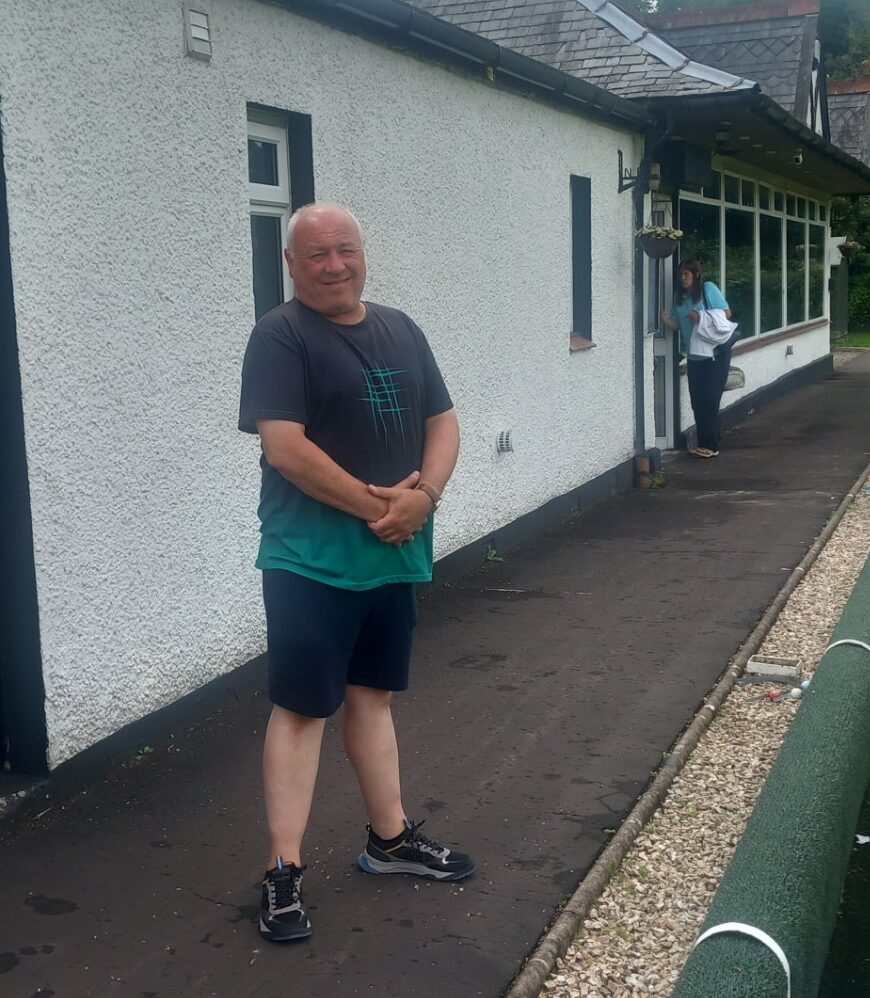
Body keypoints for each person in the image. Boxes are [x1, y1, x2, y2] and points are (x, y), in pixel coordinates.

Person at [238, 203, 474, 943]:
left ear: (363, 254)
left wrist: (425, 499)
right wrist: (384, 510)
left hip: (391, 559)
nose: (334, 265)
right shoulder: (280, 336)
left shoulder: (402, 329)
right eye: (317, 255)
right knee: (302, 711)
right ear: (292, 264)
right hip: (309, 560)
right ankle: (282, 871)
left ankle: (390, 840)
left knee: (373, 699)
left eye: (345, 250)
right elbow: (284, 447)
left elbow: (443, 420)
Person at [660, 259, 735, 458]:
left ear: (696, 275)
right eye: (680, 274)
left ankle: (710, 446)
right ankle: (708, 441)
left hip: (715, 354)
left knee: (710, 398)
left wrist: (701, 316)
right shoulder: (680, 298)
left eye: (686, 274)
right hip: (694, 355)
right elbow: (679, 325)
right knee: (697, 401)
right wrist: (666, 321)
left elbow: (727, 313)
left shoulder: (707, 289)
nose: (682, 278)